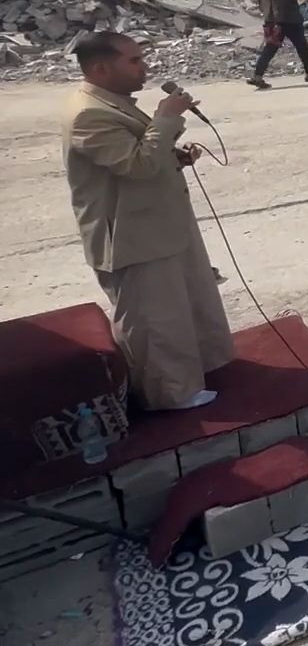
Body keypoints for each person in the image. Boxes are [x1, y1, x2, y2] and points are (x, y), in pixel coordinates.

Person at [63, 32, 233, 410]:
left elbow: (143, 152)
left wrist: (175, 155)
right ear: (101, 68)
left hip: (156, 224)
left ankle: (197, 370)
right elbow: (136, 165)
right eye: (135, 61)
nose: (145, 68)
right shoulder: (88, 114)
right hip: (129, 234)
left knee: (182, 304)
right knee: (153, 318)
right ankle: (170, 394)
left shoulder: (113, 102)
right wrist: (167, 118)